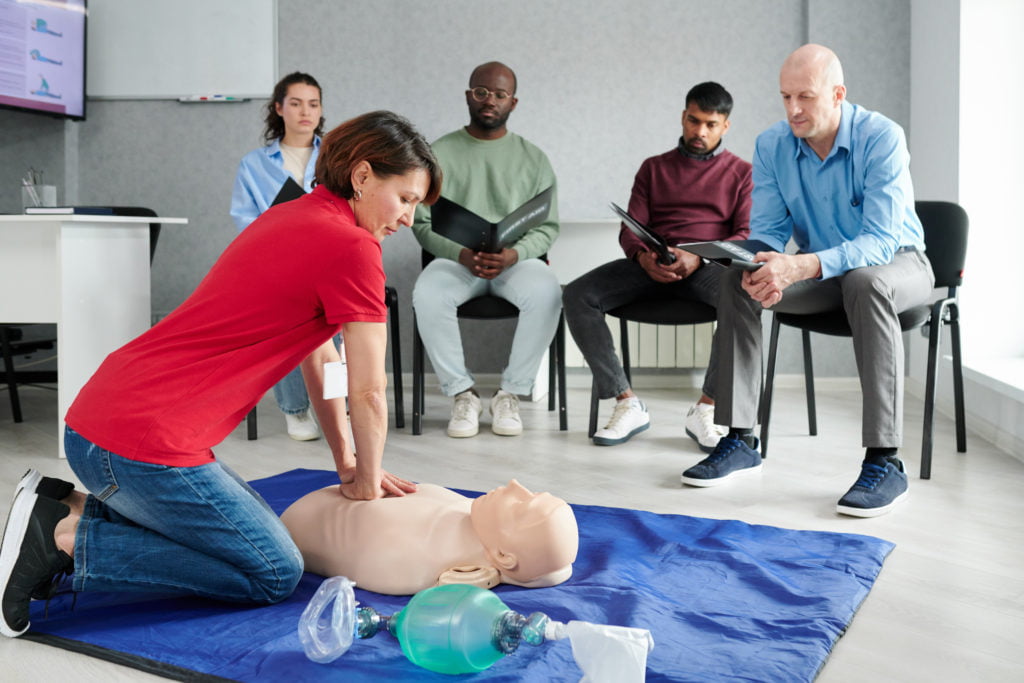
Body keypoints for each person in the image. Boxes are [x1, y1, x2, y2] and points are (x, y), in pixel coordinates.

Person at [0, 111, 442, 638]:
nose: (410, 219)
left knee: (251, 538)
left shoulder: (292, 215)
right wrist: (368, 482)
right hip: (140, 446)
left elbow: (321, 357)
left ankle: (65, 503)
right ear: (364, 175)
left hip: (100, 424)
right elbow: (370, 388)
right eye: (406, 199)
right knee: (273, 570)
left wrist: (349, 462)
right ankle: (65, 540)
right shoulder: (354, 248)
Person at [681, 45, 934, 518]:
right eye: (785, 97)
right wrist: (761, 265)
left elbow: (879, 243)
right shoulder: (773, 144)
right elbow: (769, 233)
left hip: (899, 266)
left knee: (865, 281)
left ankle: (886, 460)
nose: (793, 110)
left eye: (806, 97)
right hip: (824, 271)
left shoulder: (882, 137)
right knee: (739, 280)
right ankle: (739, 439)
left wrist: (797, 267)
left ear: (838, 94)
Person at [563, 82, 752, 449]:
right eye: (694, 120)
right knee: (577, 294)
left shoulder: (742, 173)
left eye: (711, 124)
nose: (700, 132)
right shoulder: (653, 168)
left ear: (725, 126)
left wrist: (699, 255)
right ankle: (626, 401)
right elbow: (630, 227)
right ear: (683, 116)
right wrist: (643, 257)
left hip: (707, 266)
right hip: (652, 263)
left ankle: (708, 408)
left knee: (743, 298)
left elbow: (744, 234)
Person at [412, 61, 562, 439]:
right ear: (468, 96)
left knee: (547, 292)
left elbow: (548, 227)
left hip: (515, 262)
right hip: (457, 260)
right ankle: (462, 394)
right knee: (427, 293)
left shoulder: (535, 159)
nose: (489, 101)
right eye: (481, 92)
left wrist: (515, 254)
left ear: (513, 102)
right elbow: (420, 223)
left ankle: (509, 394)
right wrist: (460, 254)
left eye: (499, 94)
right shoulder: (438, 153)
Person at [230, 71, 327, 441]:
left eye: (313, 104)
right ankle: (296, 410)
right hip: (277, 265)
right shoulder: (254, 164)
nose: (306, 111)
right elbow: (245, 221)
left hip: (327, 261)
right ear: (279, 108)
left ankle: (337, 403)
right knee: (286, 309)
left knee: (338, 304)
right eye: (296, 103)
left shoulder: (338, 156)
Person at [281, 479, 579, 595]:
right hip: (313, 510)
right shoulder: (476, 518)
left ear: (503, 557)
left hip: (298, 528)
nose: (515, 485)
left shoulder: (415, 561)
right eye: (532, 492)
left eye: (520, 506)